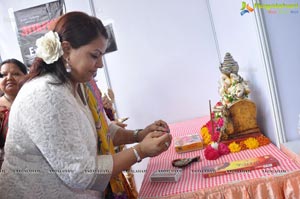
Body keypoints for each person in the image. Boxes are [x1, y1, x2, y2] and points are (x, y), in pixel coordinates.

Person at [0, 11, 172, 199]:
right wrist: (140, 151)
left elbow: (104, 130)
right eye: (94, 55)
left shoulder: (81, 84)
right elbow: (79, 173)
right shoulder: (46, 95)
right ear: (66, 50)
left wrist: (139, 135)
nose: (100, 64)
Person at [0, 58, 27, 168]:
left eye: (16, 74)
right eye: (3, 75)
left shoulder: (35, 102)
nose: (9, 78)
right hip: (9, 167)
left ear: (26, 77)